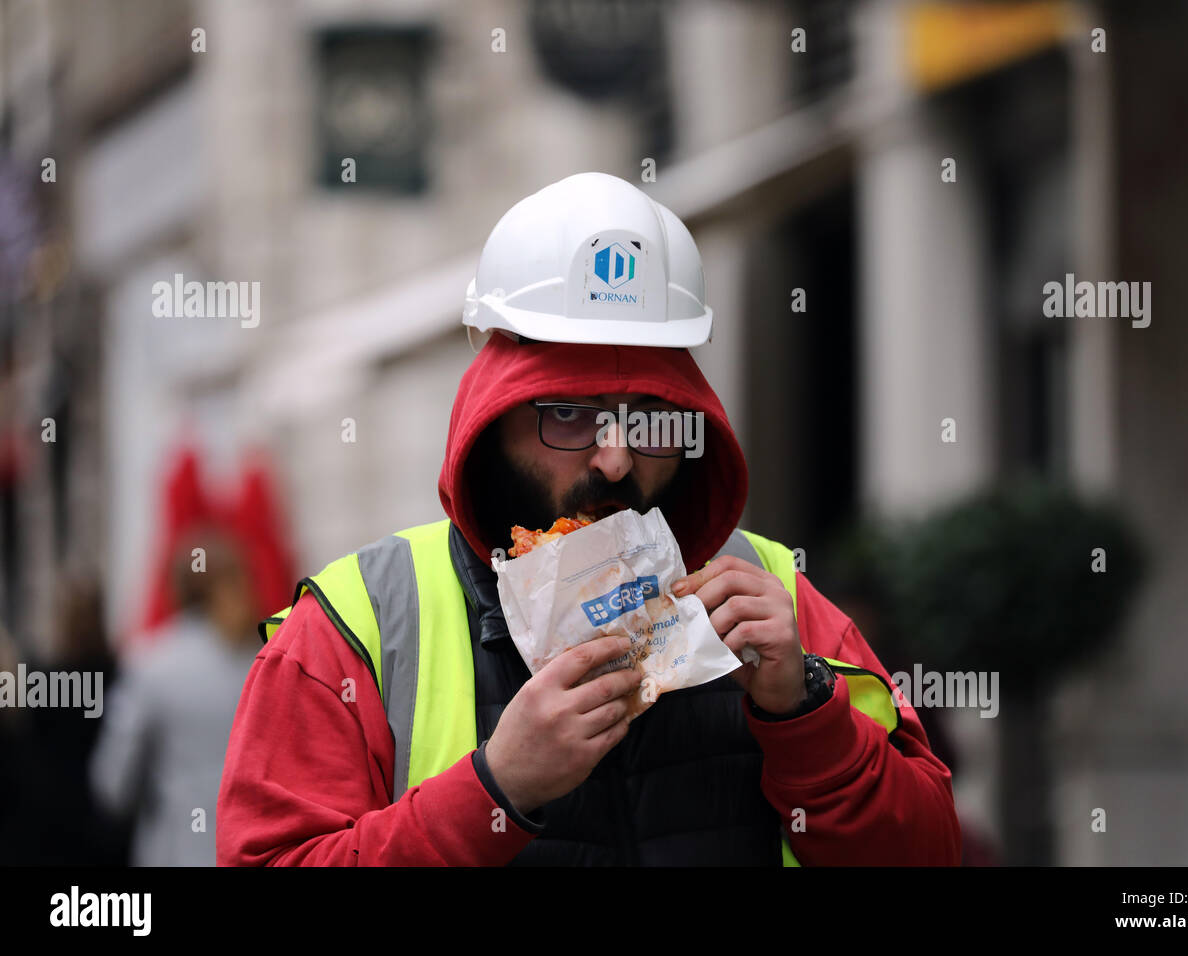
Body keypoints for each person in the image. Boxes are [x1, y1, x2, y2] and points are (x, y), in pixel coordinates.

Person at [216, 172, 961, 865]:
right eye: (567, 415)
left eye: (649, 418)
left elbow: (930, 851)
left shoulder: (777, 595)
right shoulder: (361, 626)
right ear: (489, 425)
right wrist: (494, 792)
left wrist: (805, 712)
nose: (615, 459)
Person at [91, 533, 262, 865]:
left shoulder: (150, 663)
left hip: (174, 852)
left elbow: (113, 786)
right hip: (252, 852)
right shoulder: (264, 659)